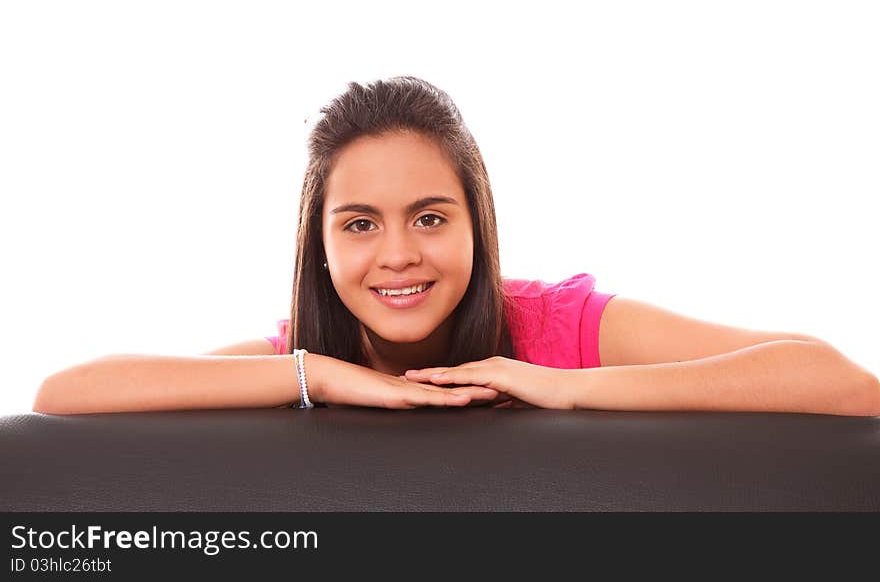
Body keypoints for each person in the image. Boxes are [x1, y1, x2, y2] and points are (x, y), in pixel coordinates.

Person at [33, 76, 879, 416]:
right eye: (359, 223)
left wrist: (563, 386)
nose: (397, 253)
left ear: (478, 225)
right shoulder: (302, 351)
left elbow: (844, 383)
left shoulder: (561, 324)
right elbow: (63, 396)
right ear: (321, 244)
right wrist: (323, 373)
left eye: (431, 217)